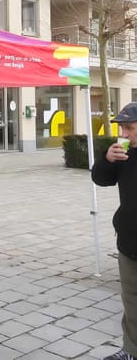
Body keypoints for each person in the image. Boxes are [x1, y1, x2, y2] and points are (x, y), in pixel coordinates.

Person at [92, 102, 137, 360]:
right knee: (132, 302)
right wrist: (106, 159)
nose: (125, 133)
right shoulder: (122, 154)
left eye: (130, 127)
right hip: (129, 242)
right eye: (122, 127)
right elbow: (101, 179)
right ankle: (130, 351)